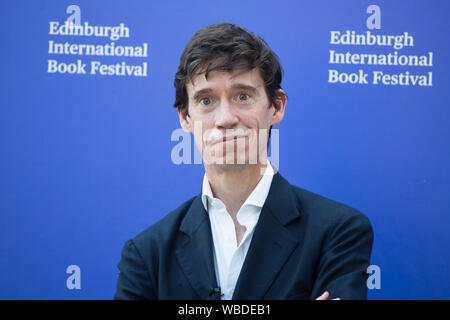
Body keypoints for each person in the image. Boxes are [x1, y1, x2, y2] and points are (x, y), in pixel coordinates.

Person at [114, 22, 374, 300]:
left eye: (242, 96)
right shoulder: (146, 255)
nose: (225, 118)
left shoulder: (338, 232)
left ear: (276, 106)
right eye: (206, 101)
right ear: (185, 118)